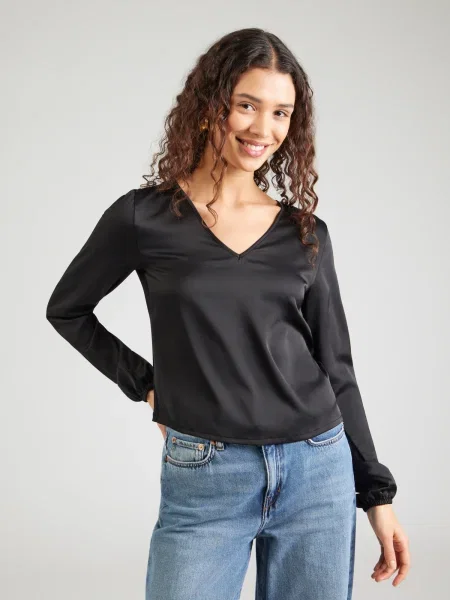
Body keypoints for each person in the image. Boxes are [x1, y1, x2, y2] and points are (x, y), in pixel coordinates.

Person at [46, 27, 410, 599]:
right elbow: (68, 310)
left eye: (281, 113)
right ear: (209, 104)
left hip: (318, 469)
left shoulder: (306, 233)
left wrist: (377, 496)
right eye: (247, 105)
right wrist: (148, 386)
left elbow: (336, 368)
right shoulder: (144, 218)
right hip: (206, 471)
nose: (263, 128)